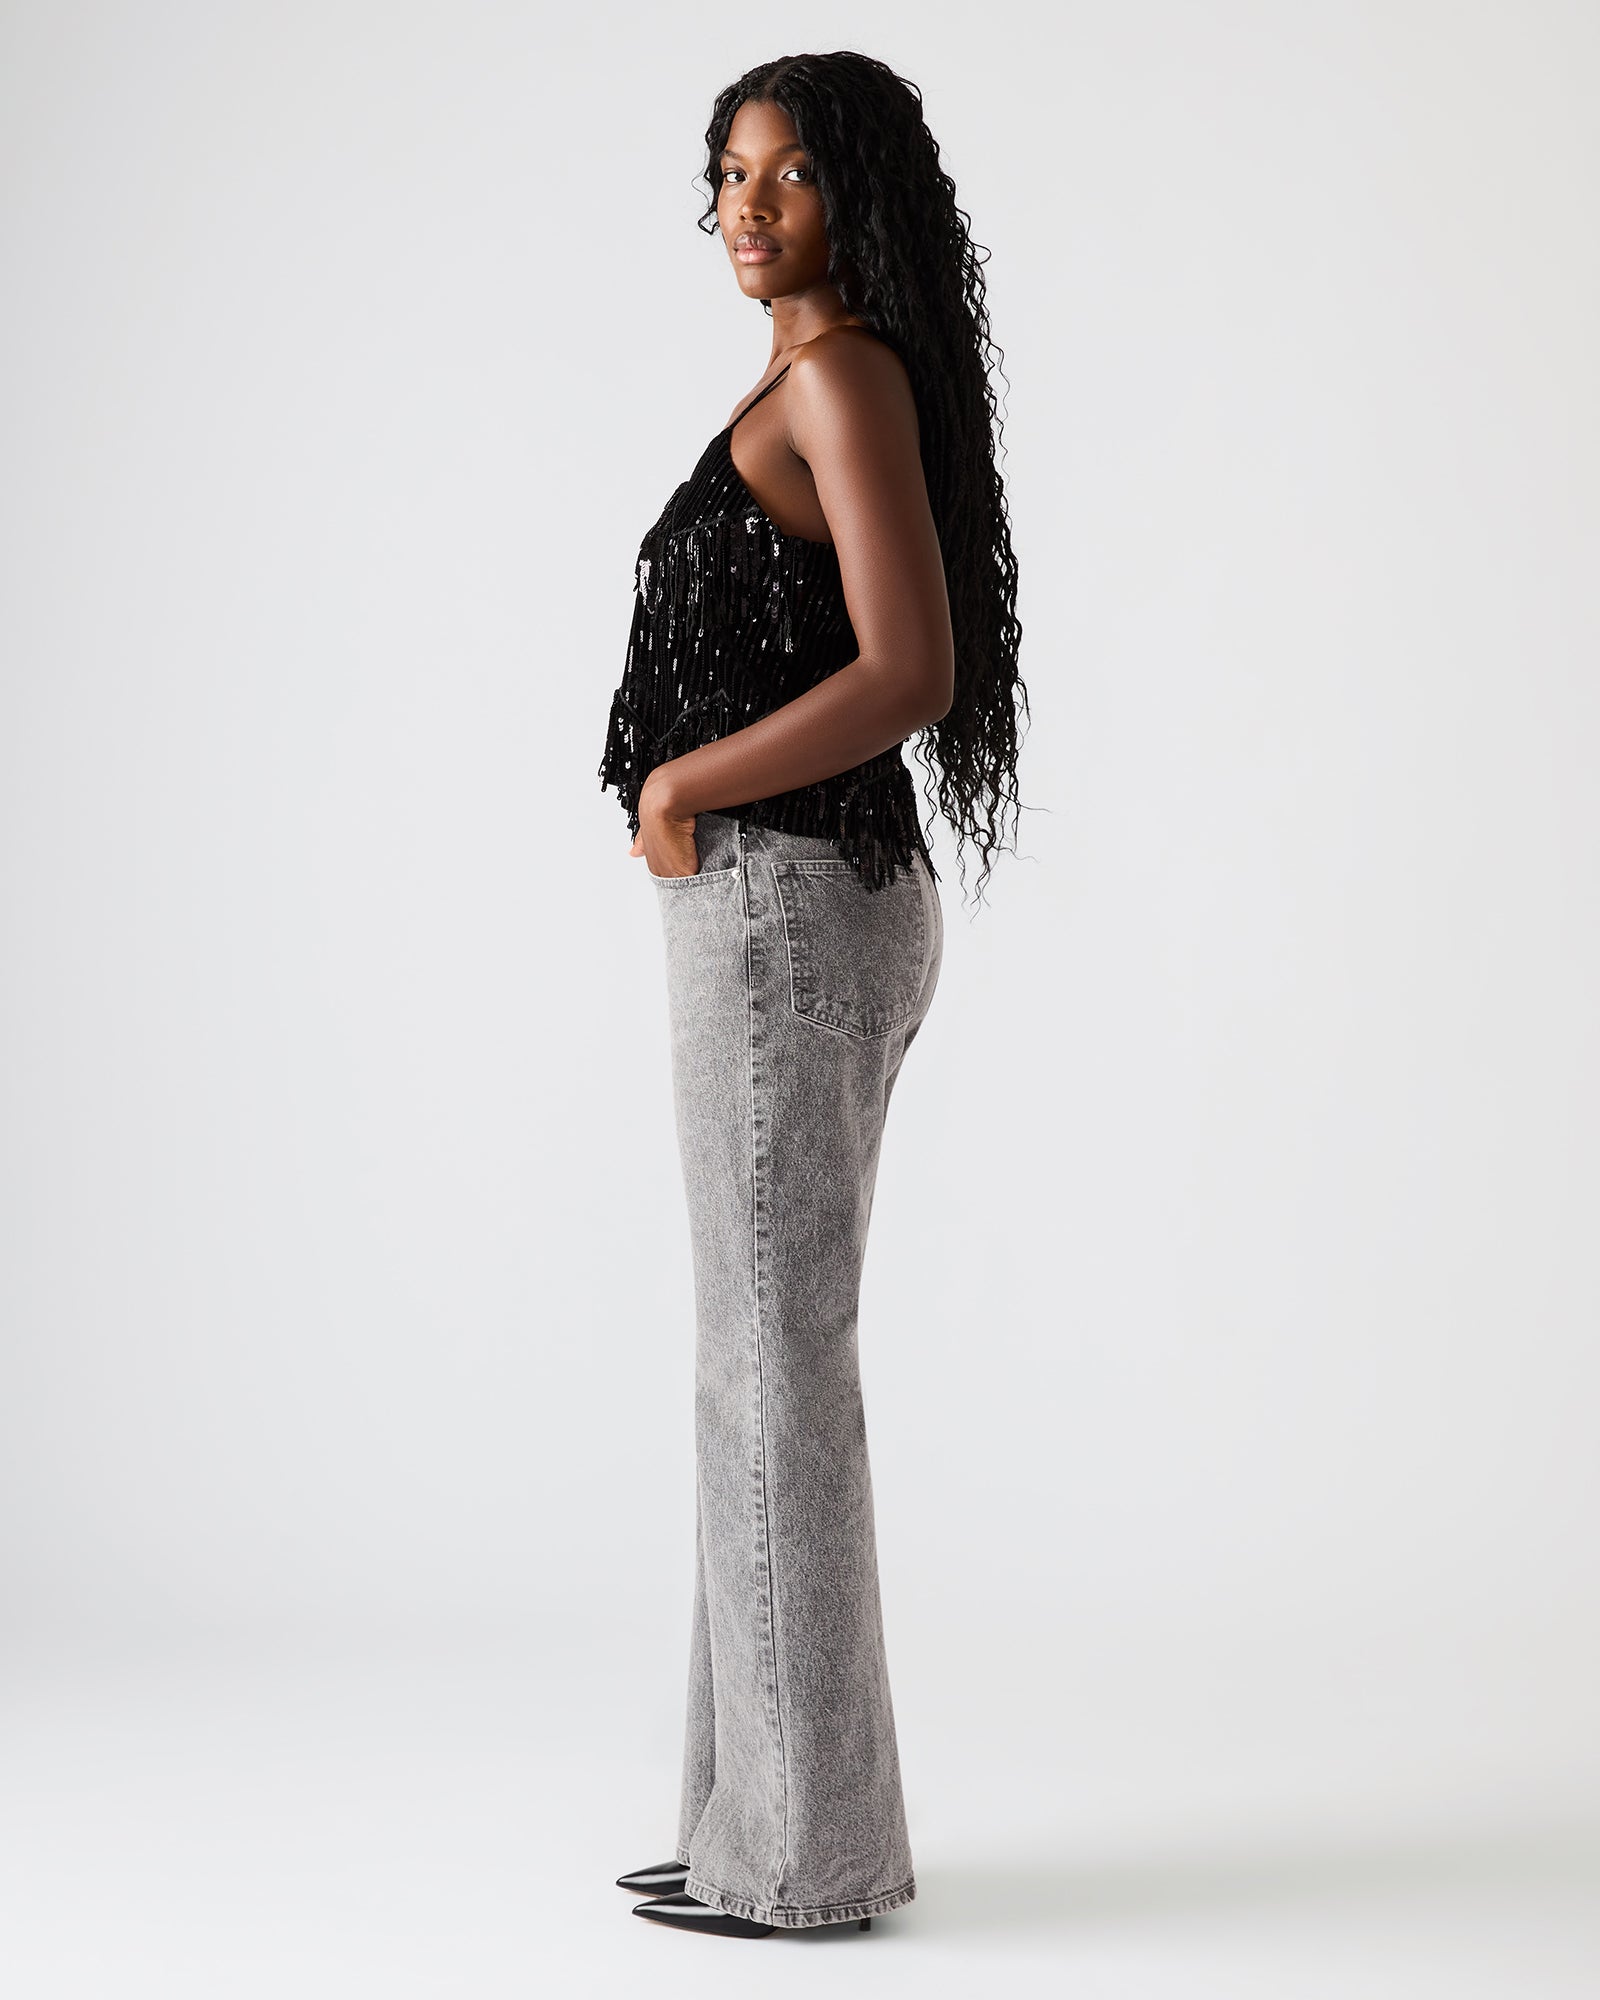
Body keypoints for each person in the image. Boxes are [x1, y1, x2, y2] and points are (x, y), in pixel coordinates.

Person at [597, 49, 1027, 1941]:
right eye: (728, 172)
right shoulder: (803, 379)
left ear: (856, 192)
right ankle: (746, 1816)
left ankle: (805, 1859)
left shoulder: (842, 375)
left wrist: (684, 785)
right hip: (792, 907)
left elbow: (909, 669)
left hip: (785, 905)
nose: (748, 204)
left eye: (788, 172)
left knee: (771, 1367)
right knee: (755, 1362)